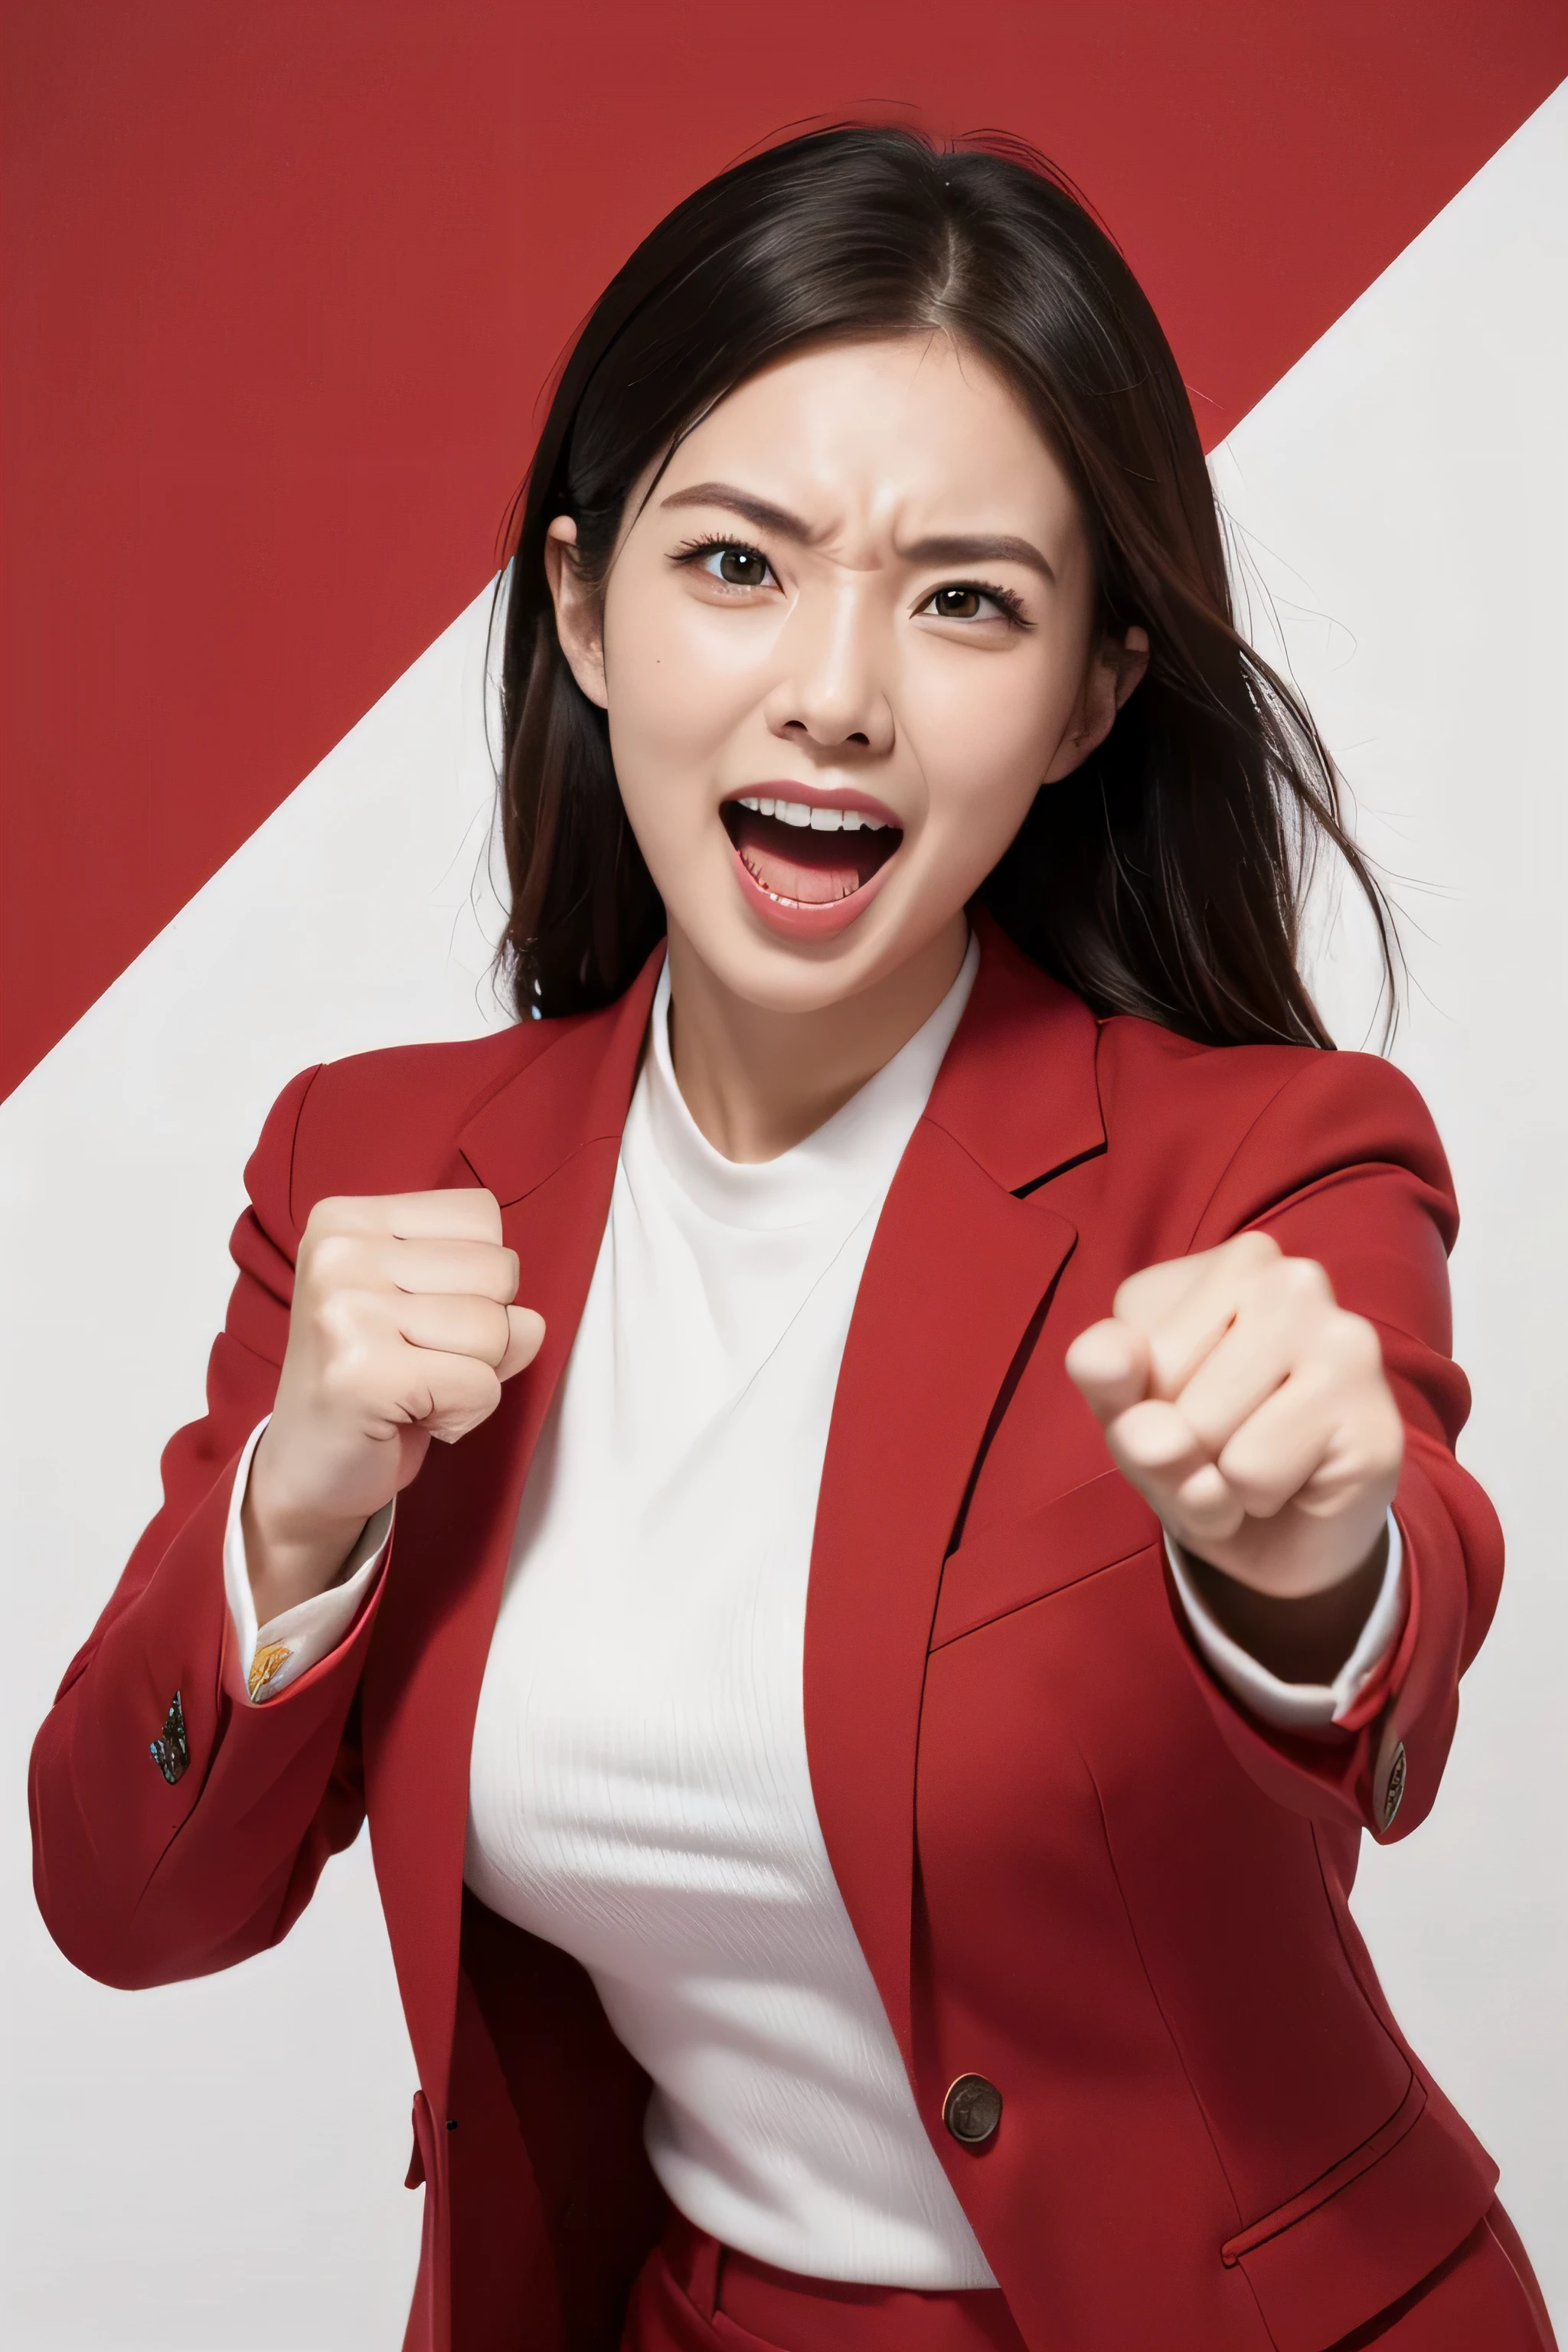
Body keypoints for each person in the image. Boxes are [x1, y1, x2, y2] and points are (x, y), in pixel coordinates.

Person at [28, 126, 1555, 2352]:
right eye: (738, 565)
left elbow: (1388, 1638)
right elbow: (127, 1899)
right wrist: (303, 1498)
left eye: (964, 601)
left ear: (1089, 699)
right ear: (579, 608)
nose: (836, 689)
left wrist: (1314, 1553)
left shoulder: (1269, 1166)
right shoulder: (373, 1179)